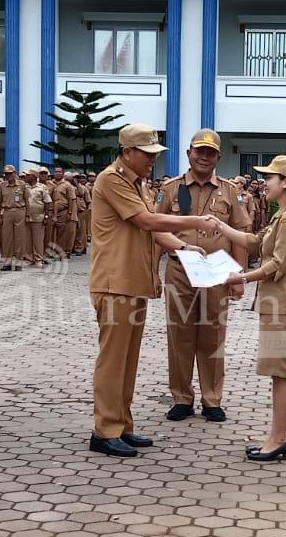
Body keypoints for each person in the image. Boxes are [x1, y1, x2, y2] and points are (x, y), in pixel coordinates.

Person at [88, 124, 219, 458]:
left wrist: (183, 248)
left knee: (128, 361)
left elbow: (153, 231)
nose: (152, 161)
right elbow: (147, 221)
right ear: (127, 152)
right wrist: (194, 222)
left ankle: (122, 425)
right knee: (113, 361)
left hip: (134, 282)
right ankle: (105, 430)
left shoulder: (138, 184)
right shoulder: (112, 179)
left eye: (154, 155)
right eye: (147, 155)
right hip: (114, 282)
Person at [210, 155, 286, 459]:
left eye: (270, 177)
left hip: (284, 304)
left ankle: (279, 439)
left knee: (283, 373)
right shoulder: (280, 215)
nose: (264, 183)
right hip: (275, 304)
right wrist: (221, 226)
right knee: (278, 373)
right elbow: (256, 243)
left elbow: (277, 264)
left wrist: (239, 276)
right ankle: (278, 436)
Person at [156, 130, 252, 423]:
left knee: (213, 335)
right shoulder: (171, 189)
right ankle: (182, 398)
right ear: (189, 153)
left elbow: (241, 234)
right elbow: (154, 228)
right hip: (179, 269)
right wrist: (151, 273)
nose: (204, 157)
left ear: (218, 158)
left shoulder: (230, 191)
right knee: (180, 335)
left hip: (216, 272)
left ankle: (212, 400)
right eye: (199, 151)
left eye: (210, 153)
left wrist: (238, 275)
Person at [0, 164, 30, 271]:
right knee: (6, 238)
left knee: (19, 238)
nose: (9, 176)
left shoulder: (22, 185)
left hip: (20, 211)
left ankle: (18, 262)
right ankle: (7, 262)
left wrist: (28, 214)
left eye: (10, 173)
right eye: (6, 174)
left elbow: (27, 200)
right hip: (7, 212)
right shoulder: (1, 185)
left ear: (15, 173)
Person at [24, 166, 52, 266]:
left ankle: (38, 259)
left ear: (34, 177)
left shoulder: (42, 187)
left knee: (38, 240)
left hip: (39, 217)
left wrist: (46, 216)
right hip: (26, 217)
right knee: (27, 240)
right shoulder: (24, 187)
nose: (25, 177)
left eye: (28, 175)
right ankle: (28, 258)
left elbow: (47, 202)